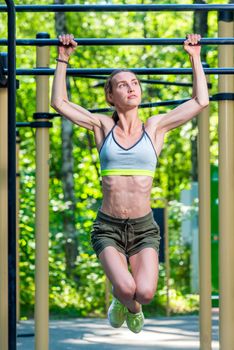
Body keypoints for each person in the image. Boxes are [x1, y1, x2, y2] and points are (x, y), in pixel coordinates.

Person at [51, 33, 209, 333]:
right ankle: (123, 300)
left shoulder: (155, 128)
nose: (131, 87)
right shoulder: (103, 126)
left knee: (146, 293)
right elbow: (59, 102)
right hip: (108, 226)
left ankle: (129, 301)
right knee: (126, 289)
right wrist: (63, 59)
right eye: (122, 84)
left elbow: (201, 101)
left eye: (135, 82)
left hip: (143, 228)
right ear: (111, 96)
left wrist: (194, 57)